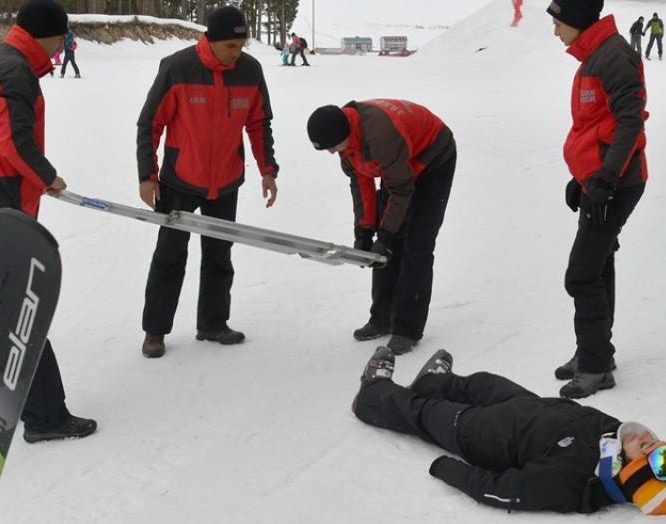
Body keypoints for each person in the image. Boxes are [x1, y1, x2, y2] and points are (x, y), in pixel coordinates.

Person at [0, 0, 96, 443]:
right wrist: (49, 177)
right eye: (62, 39)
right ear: (50, 36)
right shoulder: (13, 70)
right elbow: (14, 142)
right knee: (20, 317)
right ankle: (47, 418)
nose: (61, 48)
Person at [351, 347, 666, 515]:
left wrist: (447, 468)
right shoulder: (614, 438)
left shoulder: (574, 483)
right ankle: (433, 381)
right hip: (527, 406)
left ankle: (371, 396)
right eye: (656, 441)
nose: (647, 438)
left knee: (423, 414)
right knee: (482, 383)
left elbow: (502, 491)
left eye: (647, 450)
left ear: (631, 472)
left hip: (485, 435)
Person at [135, 5, 279, 359]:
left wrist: (268, 169)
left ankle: (213, 323)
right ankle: (156, 331)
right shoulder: (178, 67)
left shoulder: (249, 70)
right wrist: (147, 176)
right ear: (211, 40)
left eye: (241, 45)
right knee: (169, 257)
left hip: (227, 180)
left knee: (219, 256)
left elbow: (259, 124)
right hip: (181, 180)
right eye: (231, 45)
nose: (237, 52)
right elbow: (149, 125)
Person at [549, 0, 648, 400]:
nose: (555, 32)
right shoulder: (595, 56)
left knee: (582, 274)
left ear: (576, 21)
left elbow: (629, 122)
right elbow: (596, 126)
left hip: (617, 182)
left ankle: (594, 367)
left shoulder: (614, 57)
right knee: (598, 263)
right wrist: (583, 177)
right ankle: (595, 353)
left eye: (558, 24)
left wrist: (606, 178)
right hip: (600, 180)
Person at [306, 100, 456, 356]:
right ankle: (382, 317)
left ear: (342, 135)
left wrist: (385, 234)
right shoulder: (347, 142)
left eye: (331, 146)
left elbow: (401, 190)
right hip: (398, 167)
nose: (332, 152)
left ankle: (407, 329)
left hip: (432, 159)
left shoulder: (381, 136)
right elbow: (361, 182)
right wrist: (364, 230)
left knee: (416, 244)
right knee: (386, 249)